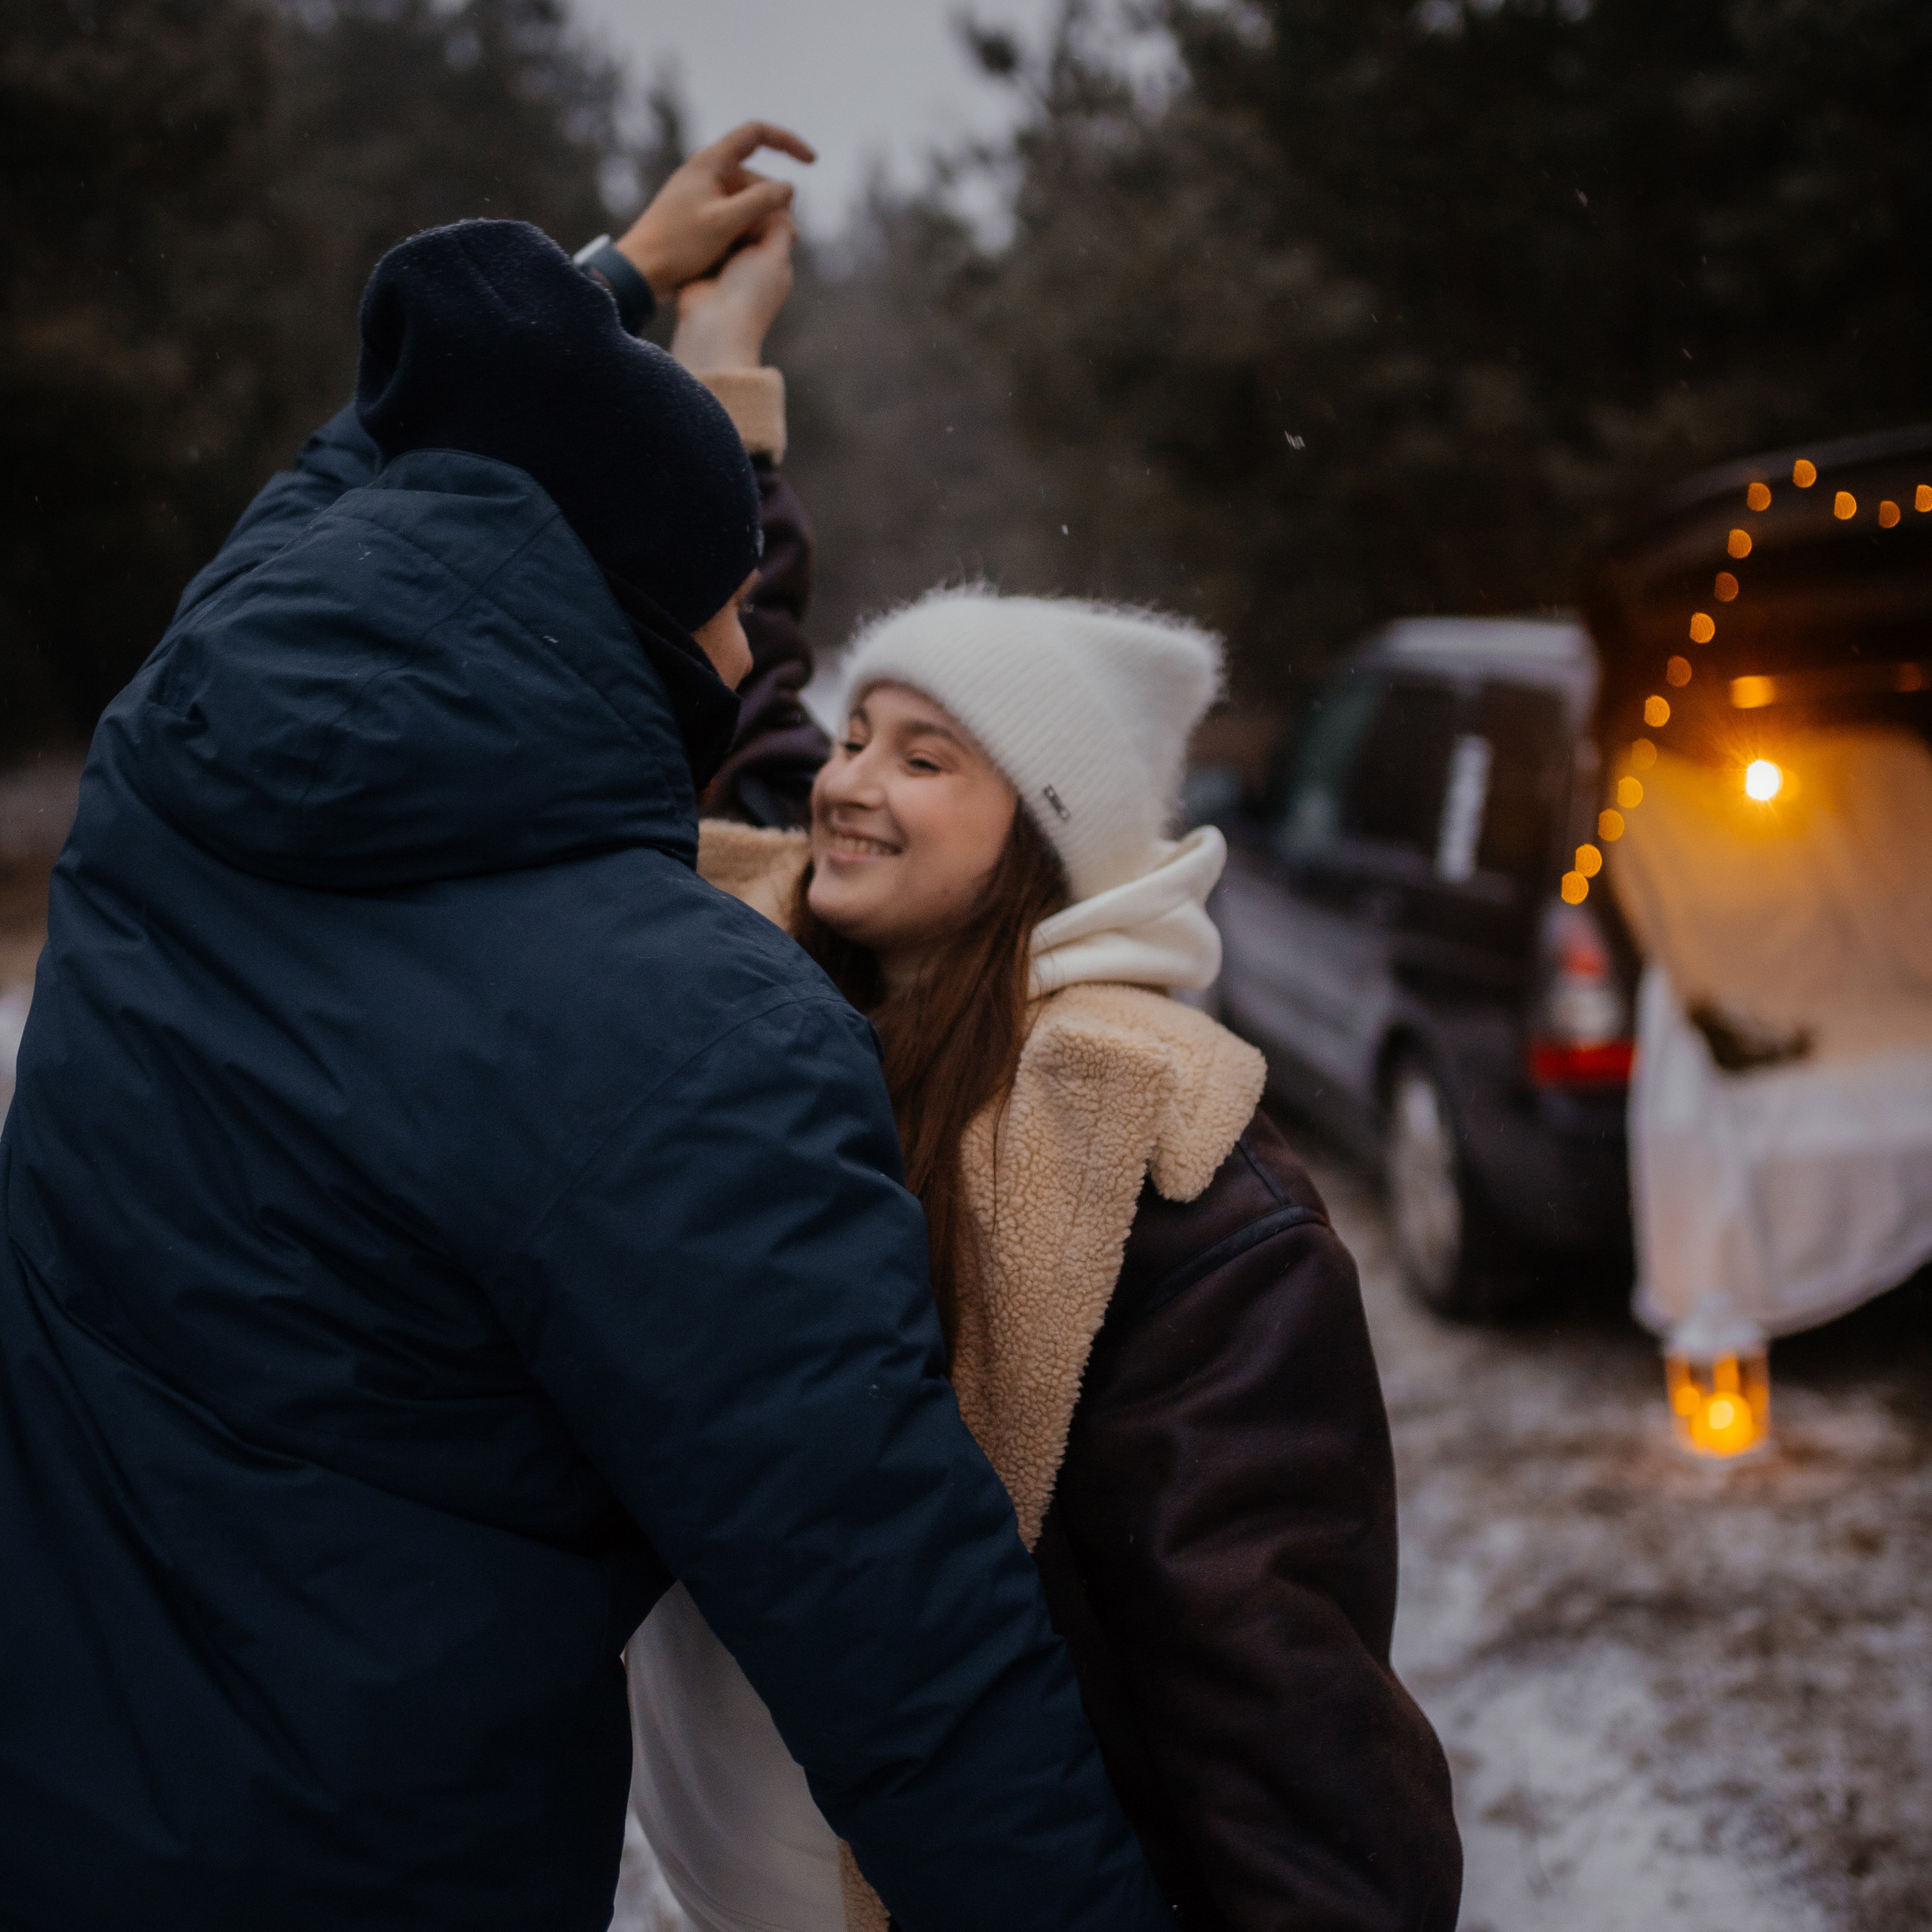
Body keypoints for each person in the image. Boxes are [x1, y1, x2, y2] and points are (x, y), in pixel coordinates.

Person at [0, 128, 1174, 1932]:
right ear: (660, 641)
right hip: (350, 1865)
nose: (756, 654)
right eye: (732, 608)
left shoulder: (176, 739)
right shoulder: (689, 1039)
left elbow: (371, 443)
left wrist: (617, 274)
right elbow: (903, 1648)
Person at [626, 586, 1467, 1927]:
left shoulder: (1161, 1174)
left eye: (922, 758)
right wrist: (728, 406)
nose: (843, 785)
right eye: (856, 736)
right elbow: (740, 697)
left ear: (1043, 834)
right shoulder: (788, 989)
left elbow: (1273, 1684)